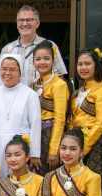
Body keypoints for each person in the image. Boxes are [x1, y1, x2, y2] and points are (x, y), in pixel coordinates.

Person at [68, 48, 102, 196]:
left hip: (93, 146)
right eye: (80, 64)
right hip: (76, 144)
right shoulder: (78, 91)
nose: (83, 68)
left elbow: (101, 123)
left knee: (93, 186)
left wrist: (83, 149)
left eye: (88, 63)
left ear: (97, 66)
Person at [0, 54, 41, 177]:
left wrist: (34, 153)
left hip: (20, 148)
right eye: (4, 69)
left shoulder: (30, 94)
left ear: (20, 72)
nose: (7, 73)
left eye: (12, 69)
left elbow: (35, 124)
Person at [0, 5, 67, 84]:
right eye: (21, 20)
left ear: (37, 23)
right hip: (14, 95)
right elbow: (1, 78)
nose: (24, 24)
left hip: (42, 96)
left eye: (29, 20)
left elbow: (59, 77)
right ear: (17, 23)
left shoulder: (50, 46)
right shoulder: (7, 49)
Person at [30, 40, 69, 175]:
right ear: (33, 62)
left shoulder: (59, 84)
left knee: (49, 175)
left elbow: (60, 119)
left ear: (53, 60)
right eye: (38, 59)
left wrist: (53, 149)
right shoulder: (34, 85)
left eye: (46, 58)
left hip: (50, 134)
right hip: (35, 135)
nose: (42, 62)